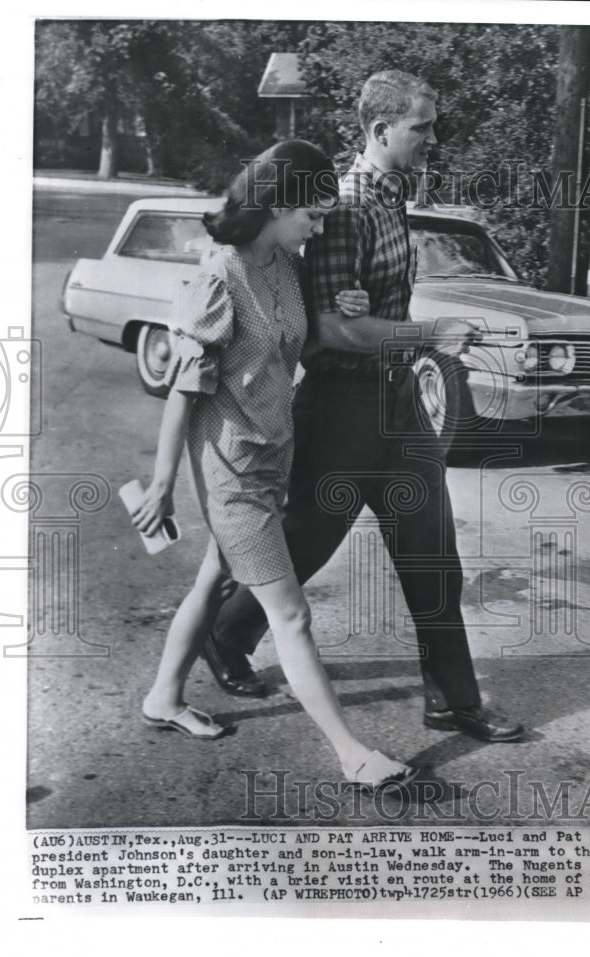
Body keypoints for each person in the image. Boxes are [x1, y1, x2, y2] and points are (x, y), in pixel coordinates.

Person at [204, 71, 524, 744]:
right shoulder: (346, 205)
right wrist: (430, 333)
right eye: (421, 128)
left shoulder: (389, 197)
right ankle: (223, 636)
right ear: (380, 132)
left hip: (396, 404)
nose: (432, 139)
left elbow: (364, 309)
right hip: (343, 407)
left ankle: (452, 700)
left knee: (433, 555)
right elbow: (333, 330)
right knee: (301, 544)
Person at [130, 139, 414, 791]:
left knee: (212, 579)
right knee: (290, 615)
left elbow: (297, 344)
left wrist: (345, 312)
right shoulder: (218, 278)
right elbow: (184, 391)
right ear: (278, 203)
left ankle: (163, 698)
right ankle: (351, 753)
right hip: (230, 472)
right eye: (312, 215)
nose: (319, 227)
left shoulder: (283, 263)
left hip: (271, 456)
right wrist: (163, 483)